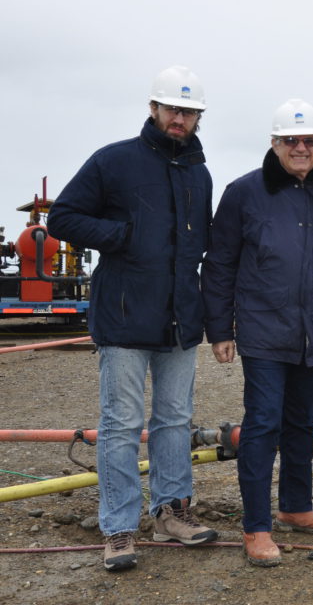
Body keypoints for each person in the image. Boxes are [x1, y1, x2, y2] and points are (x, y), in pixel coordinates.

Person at [47, 65, 218, 572]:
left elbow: (201, 243)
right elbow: (63, 218)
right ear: (153, 109)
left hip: (180, 320)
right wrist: (122, 236)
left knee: (175, 421)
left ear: (197, 118)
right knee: (121, 425)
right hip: (123, 319)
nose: (179, 119)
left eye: (188, 112)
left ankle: (171, 512)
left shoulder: (199, 172)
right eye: (172, 109)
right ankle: (119, 528)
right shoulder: (113, 161)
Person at [202, 98, 313, 567]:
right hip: (263, 333)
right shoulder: (244, 193)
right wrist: (220, 328)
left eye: (310, 141)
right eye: (291, 141)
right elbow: (219, 265)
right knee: (261, 427)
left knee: (303, 424)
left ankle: (297, 506)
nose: (301, 148)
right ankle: (256, 528)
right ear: (274, 143)